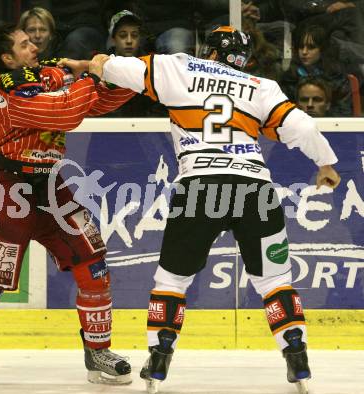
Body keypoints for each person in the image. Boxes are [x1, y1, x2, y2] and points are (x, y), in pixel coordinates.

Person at [101, 25, 341, 394]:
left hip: (200, 187)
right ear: (245, 59)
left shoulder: (180, 68)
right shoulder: (261, 87)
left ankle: (160, 356)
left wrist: (95, 62)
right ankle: (297, 355)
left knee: (172, 281)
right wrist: (325, 163)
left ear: (208, 50)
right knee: (275, 281)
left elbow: (115, 68)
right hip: (255, 190)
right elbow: (303, 127)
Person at [0, 23, 135, 388]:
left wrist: (124, 78)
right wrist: (92, 75)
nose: (33, 45)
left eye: (32, 40)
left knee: (93, 264)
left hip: (53, 188)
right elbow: (65, 113)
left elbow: (95, 100)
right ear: (7, 58)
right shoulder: (7, 90)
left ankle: (98, 351)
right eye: (24, 44)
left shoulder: (44, 75)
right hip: (10, 190)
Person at [103, 9, 167, 117]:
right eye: (123, 35)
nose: (129, 41)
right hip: (109, 129)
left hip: (146, 129)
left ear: (139, 38)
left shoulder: (153, 67)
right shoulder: (100, 66)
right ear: (113, 39)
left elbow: (161, 107)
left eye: (134, 35)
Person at [280, 24, 352, 116]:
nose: (304, 52)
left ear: (322, 50)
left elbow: (343, 113)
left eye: (311, 47)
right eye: (301, 47)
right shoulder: (289, 78)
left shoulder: (336, 77)